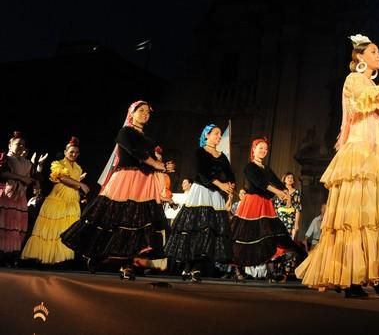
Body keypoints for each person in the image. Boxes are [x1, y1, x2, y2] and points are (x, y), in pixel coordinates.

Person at [295, 34, 379, 298]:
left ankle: (374, 273)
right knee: (355, 218)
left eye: (378, 52)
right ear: (360, 57)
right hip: (360, 153)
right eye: (374, 52)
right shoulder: (355, 80)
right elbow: (376, 96)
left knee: (376, 217)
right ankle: (350, 278)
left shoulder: (369, 83)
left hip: (377, 154)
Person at [61, 101, 169, 280]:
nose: (145, 114)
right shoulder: (125, 132)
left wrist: (160, 166)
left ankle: (127, 265)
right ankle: (98, 255)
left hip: (144, 182)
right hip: (126, 179)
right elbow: (134, 152)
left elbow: (150, 158)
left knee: (138, 222)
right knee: (113, 219)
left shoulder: (148, 139)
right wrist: (155, 163)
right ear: (131, 113)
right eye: (140, 111)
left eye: (147, 112)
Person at [164, 124, 235, 282]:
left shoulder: (222, 156)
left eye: (219, 134)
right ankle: (189, 266)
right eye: (215, 134)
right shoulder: (200, 152)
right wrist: (221, 184)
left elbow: (230, 173)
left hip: (215, 195)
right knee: (194, 230)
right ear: (207, 135)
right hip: (201, 192)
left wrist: (230, 185)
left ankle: (196, 268)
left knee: (209, 232)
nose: (218, 136)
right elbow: (202, 173)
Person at [231, 138, 305, 282]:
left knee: (270, 235)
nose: (263, 151)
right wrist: (278, 192)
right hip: (252, 203)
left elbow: (276, 180)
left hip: (265, 204)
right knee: (246, 236)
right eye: (260, 148)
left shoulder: (266, 168)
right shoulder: (249, 167)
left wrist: (284, 191)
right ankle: (238, 269)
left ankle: (271, 271)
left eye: (265, 148)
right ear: (253, 149)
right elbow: (261, 183)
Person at [21, 137, 89, 265]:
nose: (74, 154)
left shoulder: (78, 168)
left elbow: (73, 182)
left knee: (67, 231)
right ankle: (43, 259)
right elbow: (62, 178)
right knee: (51, 231)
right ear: (65, 152)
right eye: (71, 152)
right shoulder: (58, 164)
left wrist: (79, 183)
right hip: (57, 201)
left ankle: (60, 259)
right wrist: (81, 184)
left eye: (76, 152)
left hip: (71, 202)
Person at [0, 131, 36, 266]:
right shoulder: (5, 158)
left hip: (19, 197)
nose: (20, 146)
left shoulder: (26, 162)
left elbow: (33, 177)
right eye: (17, 144)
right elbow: (2, 172)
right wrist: (21, 178)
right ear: (10, 145)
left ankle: (10, 255)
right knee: (3, 224)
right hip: (5, 194)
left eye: (23, 144)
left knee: (15, 227)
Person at [272, 171, 301, 281]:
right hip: (279, 220)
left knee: (289, 247)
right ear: (284, 179)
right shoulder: (278, 191)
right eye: (288, 177)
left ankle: (285, 274)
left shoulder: (296, 192)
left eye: (291, 177)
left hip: (290, 221)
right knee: (278, 247)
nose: (290, 179)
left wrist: (296, 224)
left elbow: (298, 209)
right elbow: (275, 208)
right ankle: (276, 273)